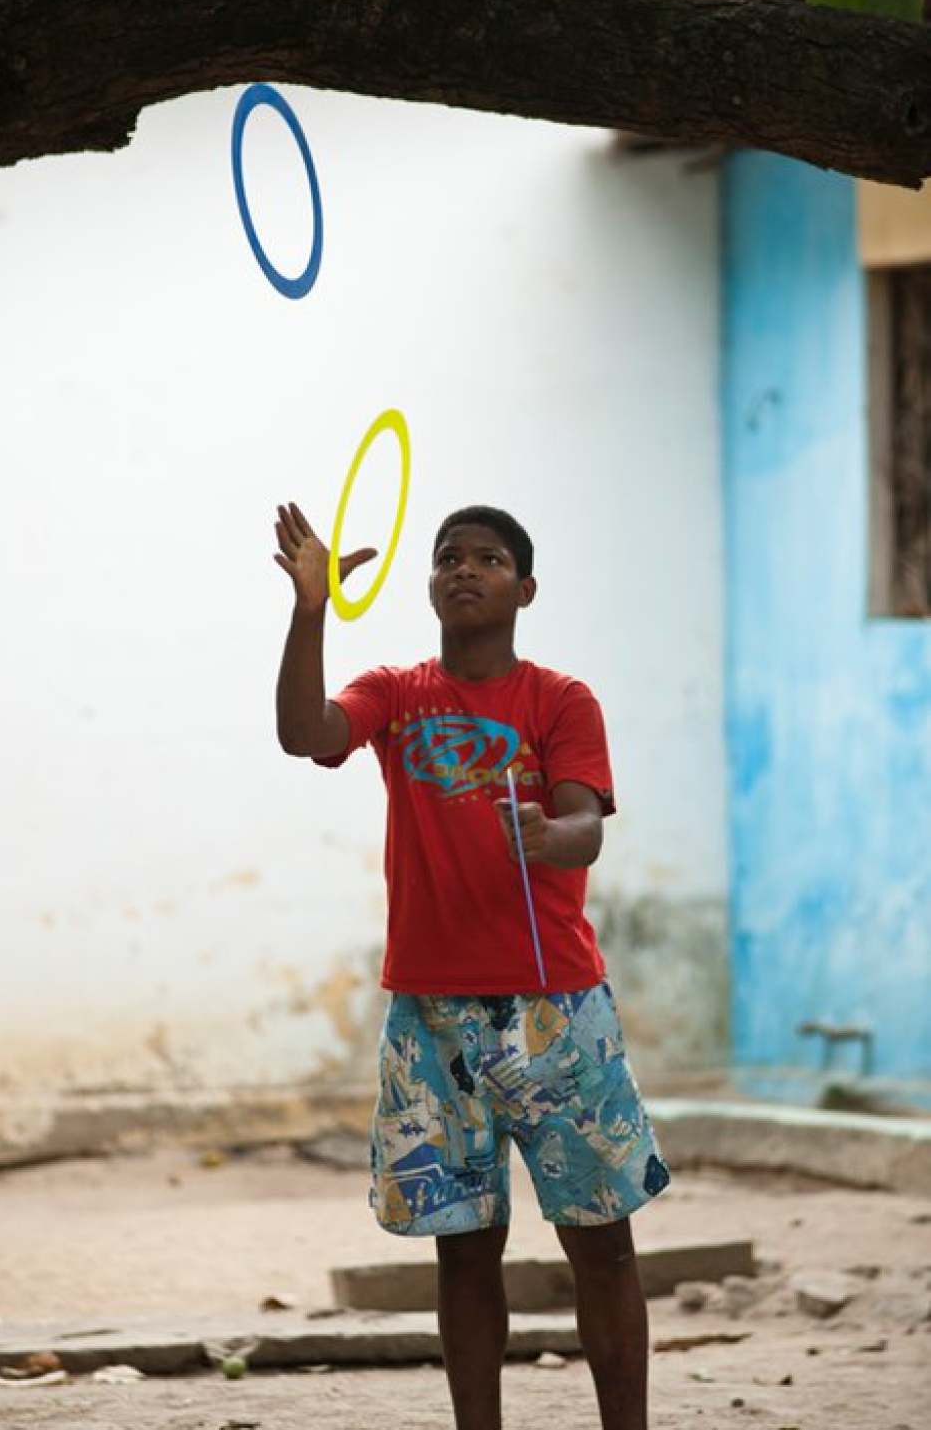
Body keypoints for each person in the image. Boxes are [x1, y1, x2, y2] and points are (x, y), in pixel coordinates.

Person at [274, 500, 669, 1430]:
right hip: (432, 1018)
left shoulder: (561, 700)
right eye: (449, 556)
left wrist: (548, 832)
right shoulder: (398, 693)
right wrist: (308, 609)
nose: (466, 568)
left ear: (523, 589)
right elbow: (306, 733)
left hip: (556, 1011)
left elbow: (585, 831)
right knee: (462, 1249)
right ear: (429, 585)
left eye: (489, 558)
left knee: (602, 1243)